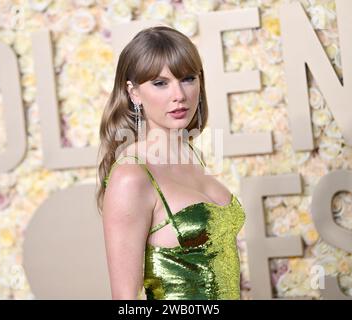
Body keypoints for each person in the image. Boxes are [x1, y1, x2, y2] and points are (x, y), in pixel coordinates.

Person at [96, 25, 245, 300]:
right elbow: (125, 300)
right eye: (160, 83)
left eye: (187, 78)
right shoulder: (132, 176)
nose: (179, 94)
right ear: (134, 93)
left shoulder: (192, 158)